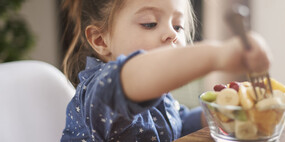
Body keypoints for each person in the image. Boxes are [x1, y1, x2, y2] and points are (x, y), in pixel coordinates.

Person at [61, 0, 271, 141]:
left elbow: (177, 124)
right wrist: (217, 54)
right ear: (100, 40)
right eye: (150, 24)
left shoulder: (157, 93)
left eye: (178, 26)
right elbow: (136, 73)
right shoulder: (99, 91)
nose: (172, 34)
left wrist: (217, 113)